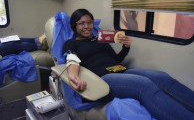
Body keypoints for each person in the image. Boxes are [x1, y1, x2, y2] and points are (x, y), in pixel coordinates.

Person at [62, 9, 194, 120]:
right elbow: (72, 59)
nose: (87, 26)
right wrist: (73, 75)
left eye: (89, 22)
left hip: (120, 70)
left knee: (162, 77)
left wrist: (125, 47)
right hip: (101, 78)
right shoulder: (71, 43)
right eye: (81, 23)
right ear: (74, 26)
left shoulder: (100, 39)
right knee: (143, 85)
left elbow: (115, 59)